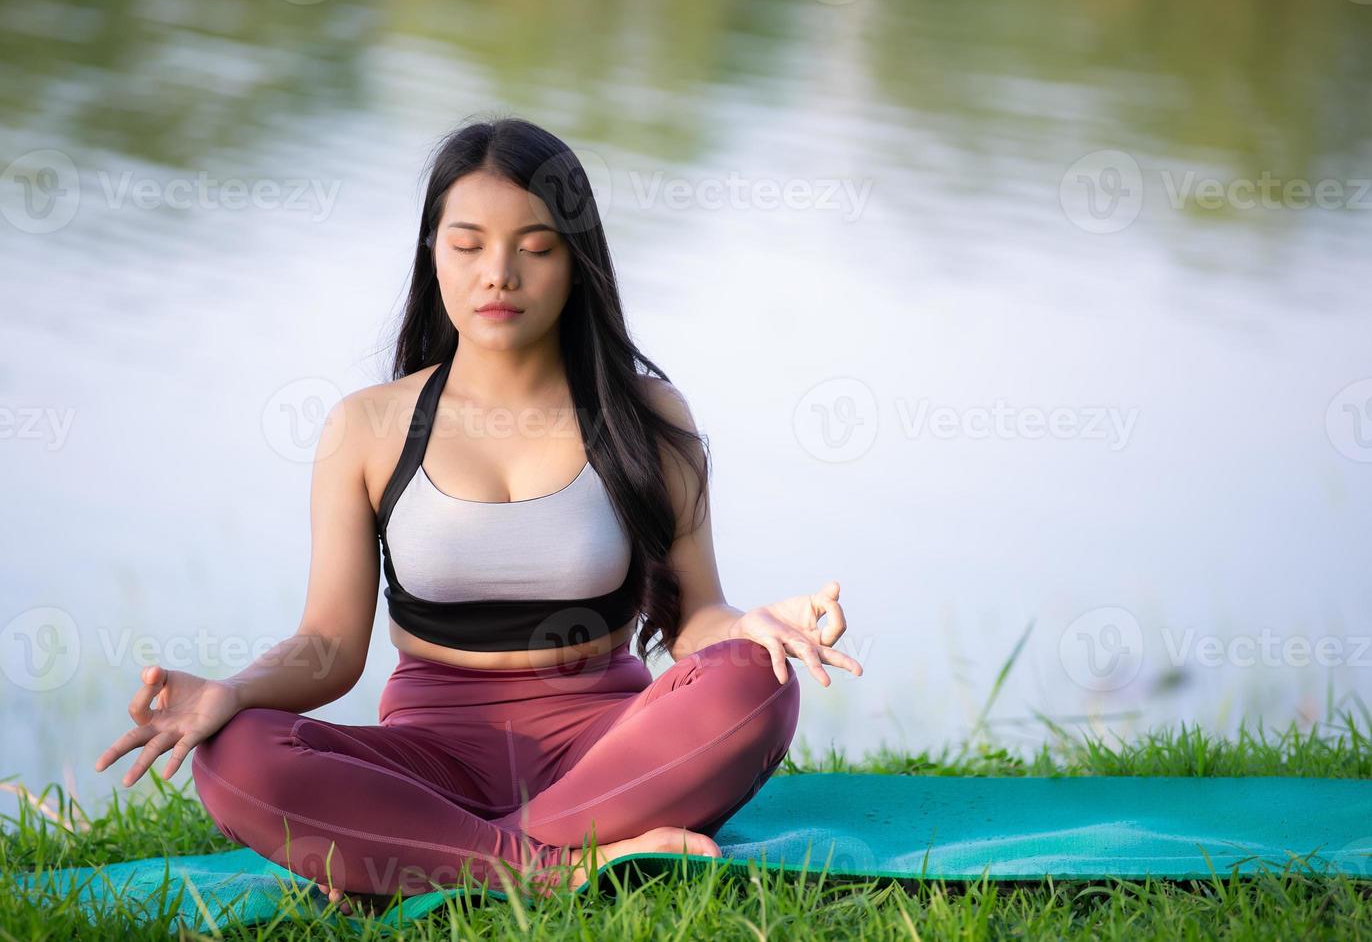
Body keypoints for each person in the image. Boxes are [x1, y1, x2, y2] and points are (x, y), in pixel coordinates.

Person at [94, 115, 862, 913]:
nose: (499, 273)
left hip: (608, 752)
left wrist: (750, 627)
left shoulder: (645, 413)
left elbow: (695, 616)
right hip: (429, 756)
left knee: (756, 683)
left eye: (535, 248)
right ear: (433, 254)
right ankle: (559, 862)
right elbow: (328, 646)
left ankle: (434, 851)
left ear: (575, 263)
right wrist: (235, 689)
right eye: (468, 246)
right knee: (234, 752)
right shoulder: (367, 426)